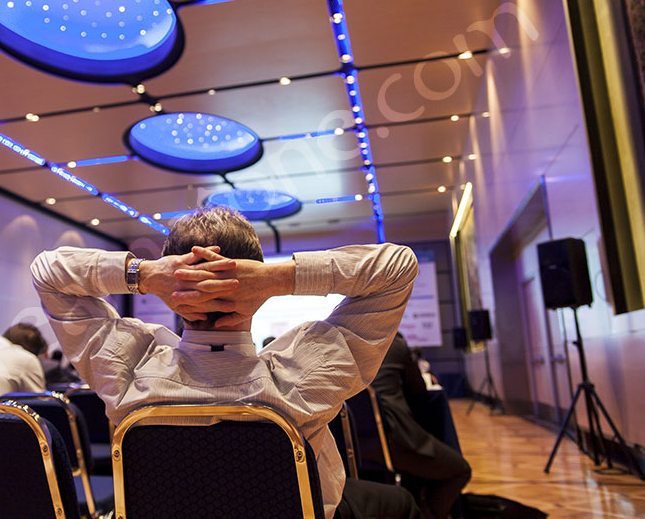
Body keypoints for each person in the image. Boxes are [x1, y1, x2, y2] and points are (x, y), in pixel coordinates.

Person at [31, 207, 420, 519]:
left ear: (171, 286)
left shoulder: (125, 371)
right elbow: (397, 267)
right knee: (397, 503)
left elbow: (47, 273)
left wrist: (144, 274)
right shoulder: (305, 375)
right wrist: (277, 279)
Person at [370, 332, 471, 519]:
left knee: (414, 471)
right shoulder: (391, 340)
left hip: (355, 445)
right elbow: (418, 390)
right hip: (395, 437)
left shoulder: (340, 345)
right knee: (460, 471)